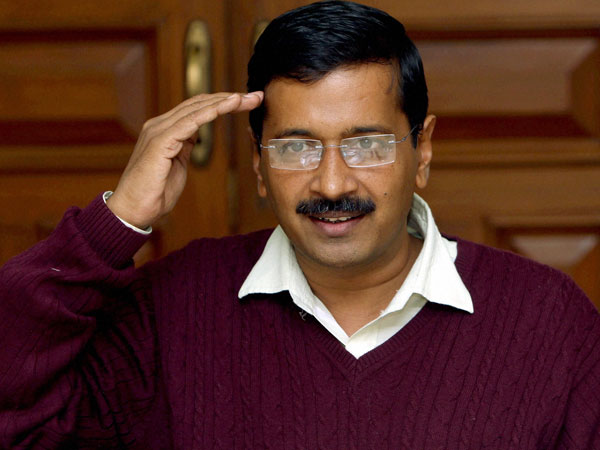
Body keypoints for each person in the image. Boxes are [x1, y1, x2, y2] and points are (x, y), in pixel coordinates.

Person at [1, 1, 599, 448]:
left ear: (422, 151)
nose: (332, 184)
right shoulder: (170, 310)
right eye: (296, 148)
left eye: (366, 145)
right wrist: (115, 224)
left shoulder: (547, 319)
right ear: (259, 167)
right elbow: (17, 419)